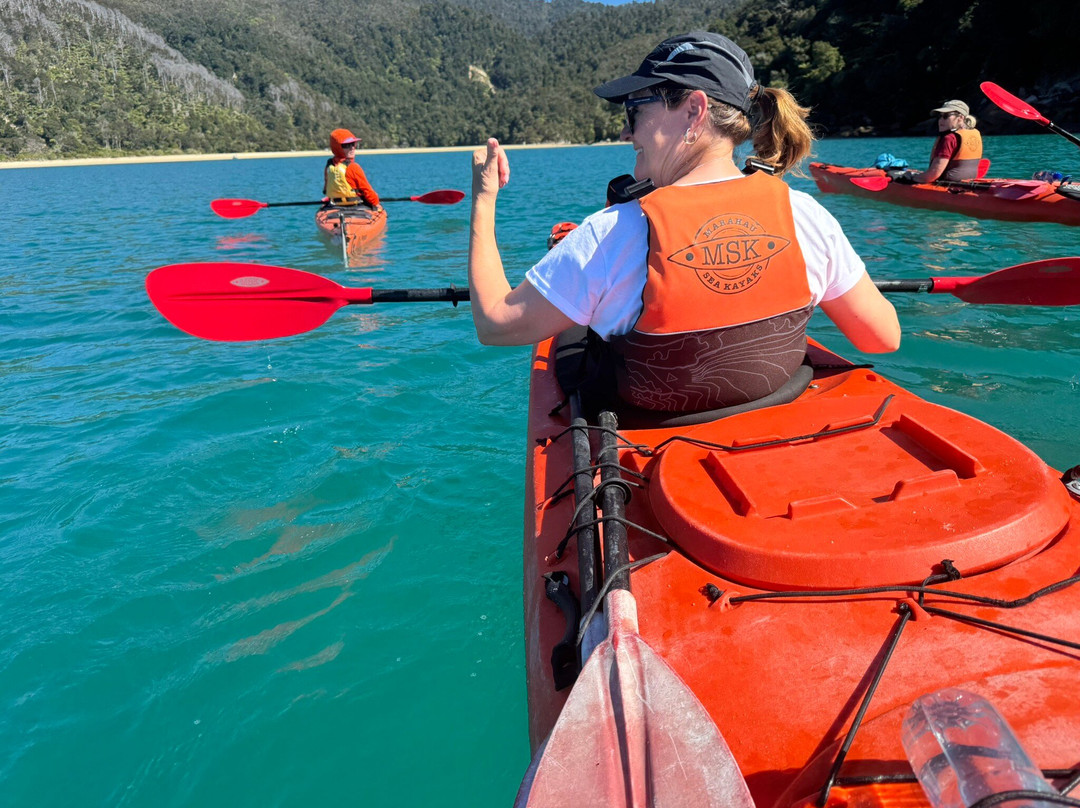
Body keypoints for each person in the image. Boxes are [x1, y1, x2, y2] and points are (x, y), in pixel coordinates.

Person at [468, 31, 900, 414]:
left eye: (634, 110)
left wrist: (484, 198)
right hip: (774, 403)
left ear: (694, 110)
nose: (625, 133)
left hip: (648, 433)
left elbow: (493, 323)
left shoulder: (610, 233)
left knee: (574, 333)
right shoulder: (804, 213)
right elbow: (882, 338)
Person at [901, 100, 983, 183]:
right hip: (968, 182)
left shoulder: (949, 138)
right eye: (940, 116)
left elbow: (933, 175)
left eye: (946, 116)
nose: (941, 120)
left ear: (960, 118)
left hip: (948, 183)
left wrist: (911, 177)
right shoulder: (975, 134)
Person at [324, 128, 381, 209]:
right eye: (346, 146)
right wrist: (376, 203)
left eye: (353, 144)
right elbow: (367, 190)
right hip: (355, 205)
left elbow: (326, 188)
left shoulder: (329, 165)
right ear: (337, 148)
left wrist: (330, 198)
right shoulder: (353, 167)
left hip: (334, 205)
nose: (352, 148)